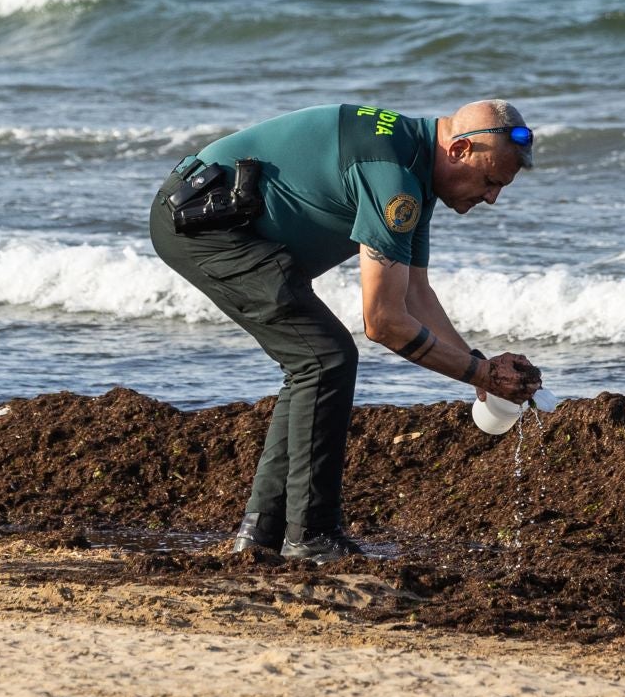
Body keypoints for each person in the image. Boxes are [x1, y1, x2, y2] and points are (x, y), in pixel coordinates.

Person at [150, 99, 543, 563]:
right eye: (491, 181)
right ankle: (312, 533)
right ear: (459, 150)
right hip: (202, 222)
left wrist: (478, 366)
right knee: (324, 358)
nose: (492, 197)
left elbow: (415, 293)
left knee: (313, 362)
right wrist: (479, 374)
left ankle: (261, 537)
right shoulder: (394, 178)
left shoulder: (413, 165)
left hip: (229, 222)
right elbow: (384, 322)